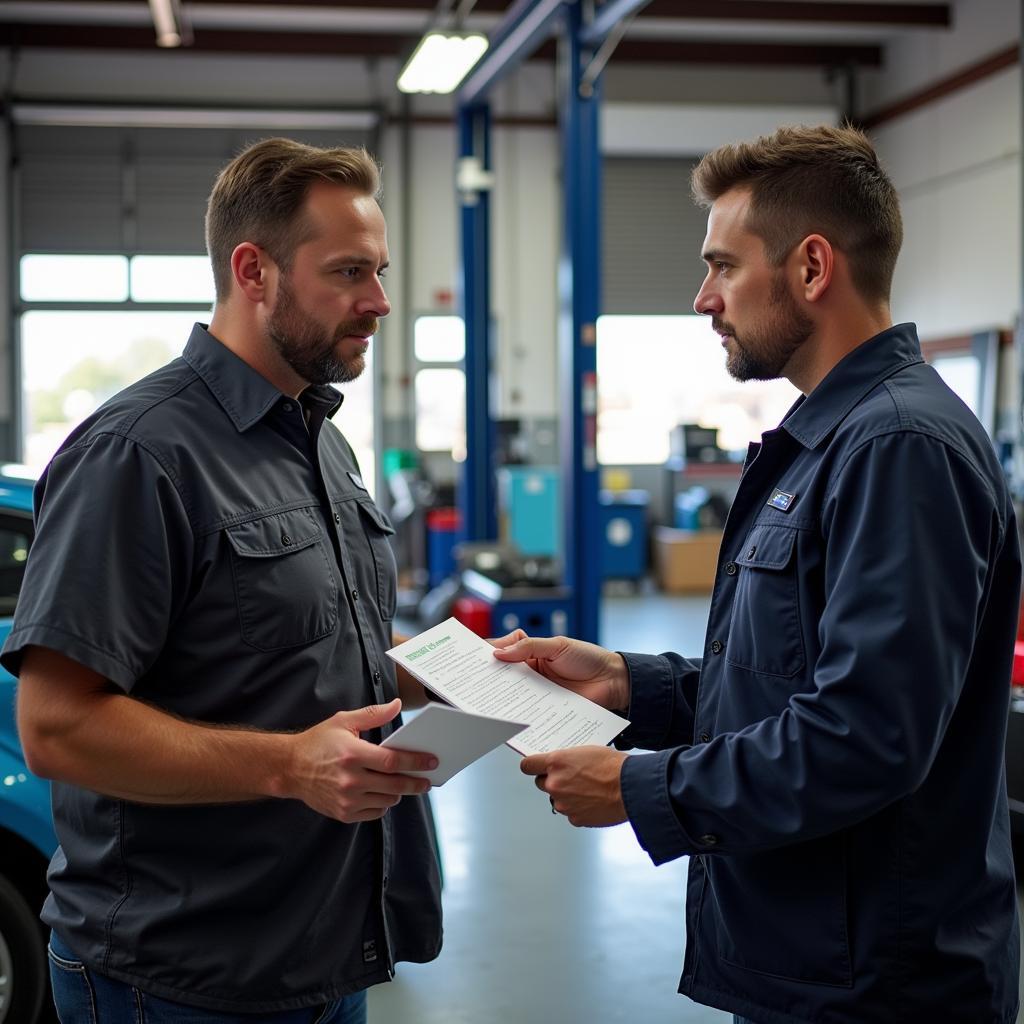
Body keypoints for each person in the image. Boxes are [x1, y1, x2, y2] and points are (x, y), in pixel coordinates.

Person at [496, 124, 1021, 1023]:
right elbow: (794, 685)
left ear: (811, 268)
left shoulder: (896, 448)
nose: (703, 298)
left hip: (874, 986)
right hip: (814, 960)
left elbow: (866, 735)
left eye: (723, 266)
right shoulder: (834, 440)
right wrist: (631, 684)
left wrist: (641, 788)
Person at [4, 137, 444, 1023]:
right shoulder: (136, 454)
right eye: (350, 273)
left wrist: (462, 671)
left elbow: (321, 635)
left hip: (323, 946)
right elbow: (55, 727)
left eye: (382, 271)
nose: (380, 302)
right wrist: (288, 766)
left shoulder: (320, 438)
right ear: (255, 270)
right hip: (178, 975)